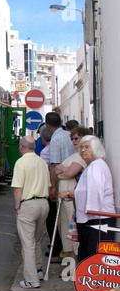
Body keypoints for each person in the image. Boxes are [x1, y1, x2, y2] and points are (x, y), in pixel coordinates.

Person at [59, 135, 116, 262]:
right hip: (94, 219)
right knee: (88, 257)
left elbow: (92, 192)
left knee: (94, 259)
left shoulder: (97, 166)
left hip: (97, 219)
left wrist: (69, 193)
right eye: (81, 147)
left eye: (87, 147)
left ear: (95, 149)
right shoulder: (93, 166)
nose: (83, 150)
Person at [12, 136, 51, 289]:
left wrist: (17, 207)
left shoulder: (21, 162)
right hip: (43, 204)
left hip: (28, 205)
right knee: (36, 240)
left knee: (27, 243)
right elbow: (48, 185)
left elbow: (17, 188)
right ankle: (39, 269)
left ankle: (31, 279)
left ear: (22, 147)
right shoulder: (41, 161)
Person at [56, 127, 92, 264]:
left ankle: (77, 266)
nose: (74, 141)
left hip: (73, 200)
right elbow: (58, 169)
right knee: (66, 233)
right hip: (65, 200)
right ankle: (72, 267)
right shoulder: (73, 155)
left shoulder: (82, 156)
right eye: (72, 138)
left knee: (73, 234)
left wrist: (64, 171)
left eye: (77, 138)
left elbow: (70, 173)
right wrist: (64, 170)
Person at [45, 112, 75, 263]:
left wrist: (52, 187)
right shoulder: (68, 135)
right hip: (74, 180)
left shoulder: (55, 140)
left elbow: (54, 165)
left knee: (63, 220)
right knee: (70, 219)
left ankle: (66, 254)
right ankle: (67, 253)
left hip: (64, 182)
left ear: (48, 126)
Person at [39, 126, 63, 261]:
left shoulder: (45, 152)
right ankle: (57, 246)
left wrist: (50, 188)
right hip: (60, 188)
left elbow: (46, 171)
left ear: (43, 138)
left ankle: (55, 248)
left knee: (51, 220)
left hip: (50, 189)